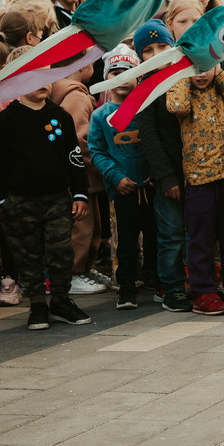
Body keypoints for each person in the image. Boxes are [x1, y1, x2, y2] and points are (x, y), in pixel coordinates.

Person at [0, 48, 91, 331]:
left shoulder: (59, 116)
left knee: (61, 251)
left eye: (47, 74)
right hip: (19, 202)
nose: (44, 82)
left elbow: (74, 156)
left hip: (57, 198)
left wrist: (80, 192)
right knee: (28, 254)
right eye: (33, 75)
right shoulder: (5, 121)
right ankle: (37, 304)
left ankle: (61, 300)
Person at [166, 62, 224, 315]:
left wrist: (219, 73)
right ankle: (202, 290)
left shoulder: (222, 89)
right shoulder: (183, 91)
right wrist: (183, 75)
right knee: (201, 239)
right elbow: (176, 106)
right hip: (199, 180)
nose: (202, 73)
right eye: (195, 68)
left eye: (207, 67)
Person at [88, 45, 159, 311]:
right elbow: (97, 151)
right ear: (107, 77)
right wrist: (116, 177)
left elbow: (156, 143)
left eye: (128, 72)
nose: (121, 77)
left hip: (151, 187)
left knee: (155, 236)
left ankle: (154, 279)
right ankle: (127, 285)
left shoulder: (147, 109)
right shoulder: (101, 116)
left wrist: (156, 174)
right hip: (123, 191)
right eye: (115, 72)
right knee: (127, 242)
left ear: (138, 76)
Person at [136, 19, 191, 313]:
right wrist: (167, 177)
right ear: (140, 57)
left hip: (196, 172)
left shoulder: (186, 78)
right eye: (148, 50)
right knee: (170, 233)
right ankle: (170, 287)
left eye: (162, 47)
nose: (157, 53)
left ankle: (198, 281)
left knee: (195, 232)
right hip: (167, 177)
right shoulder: (144, 89)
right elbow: (150, 139)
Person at [50, 62, 108, 296]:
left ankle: (85, 268)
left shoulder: (60, 91)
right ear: (83, 66)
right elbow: (80, 139)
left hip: (79, 177)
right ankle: (74, 274)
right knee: (82, 226)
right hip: (82, 175)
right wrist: (99, 163)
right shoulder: (77, 96)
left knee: (90, 226)